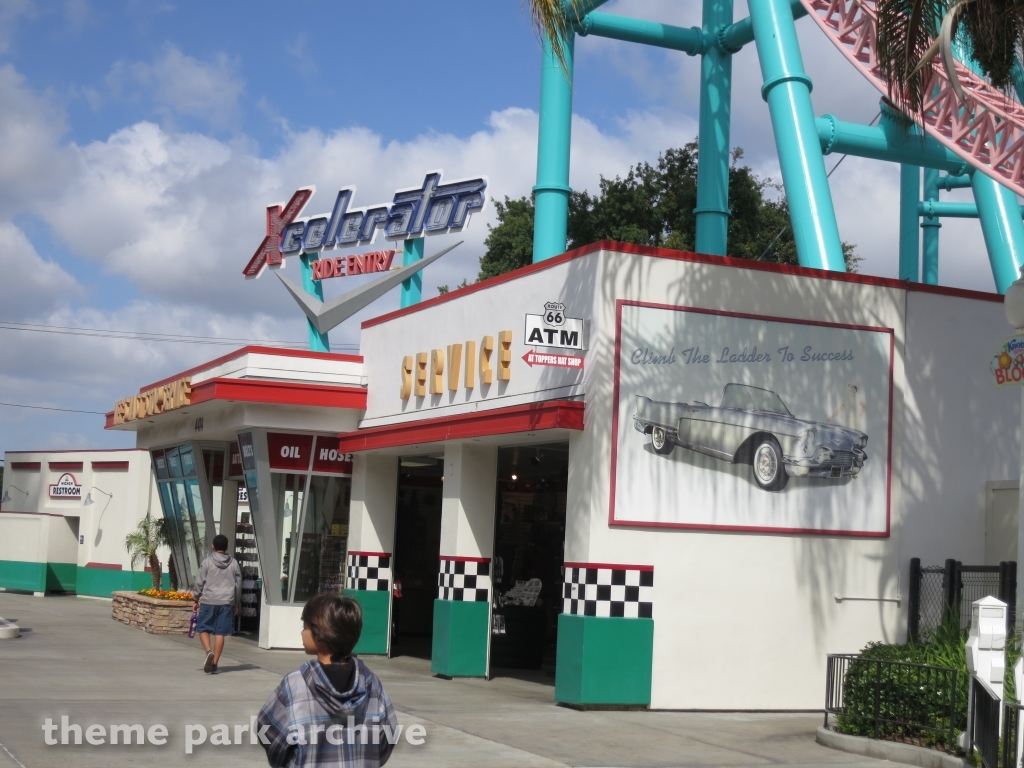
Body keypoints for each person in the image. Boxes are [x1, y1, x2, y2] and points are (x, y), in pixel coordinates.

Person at [257, 594, 398, 767]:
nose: (302, 632)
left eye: (305, 626)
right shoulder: (372, 684)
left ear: (320, 633)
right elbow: (388, 735)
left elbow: (268, 732)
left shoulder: (295, 685)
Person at [192, 534, 242, 674]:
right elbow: (238, 585)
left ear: (213, 546)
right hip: (227, 602)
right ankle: (214, 664)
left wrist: (195, 598)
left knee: (203, 629)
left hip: (209, 600)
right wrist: (236, 603)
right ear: (226, 547)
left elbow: (199, 581)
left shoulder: (207, 562)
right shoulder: (234, 563)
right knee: (220, 633)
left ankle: (209, 652)